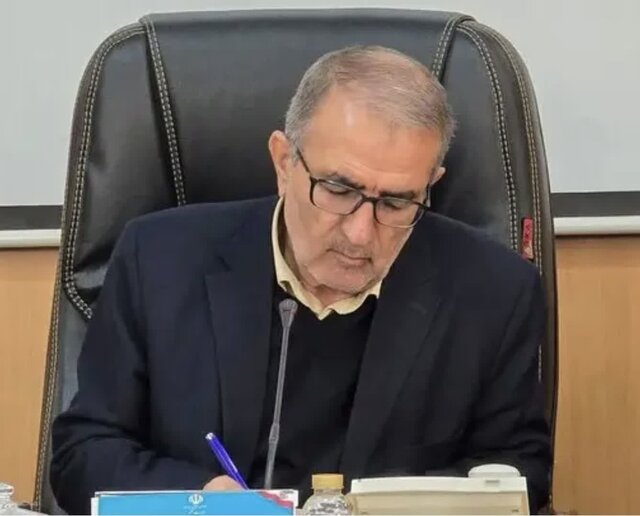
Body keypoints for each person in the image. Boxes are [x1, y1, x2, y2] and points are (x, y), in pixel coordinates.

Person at [50, 46, 551, 514]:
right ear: (284, 162)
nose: (360, 233)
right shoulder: (159, 259)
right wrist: (201, 500)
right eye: (338, 189)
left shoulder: (495, 292)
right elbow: (84, 452)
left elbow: (518, 471)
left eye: (397, 202)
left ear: (430, 185)